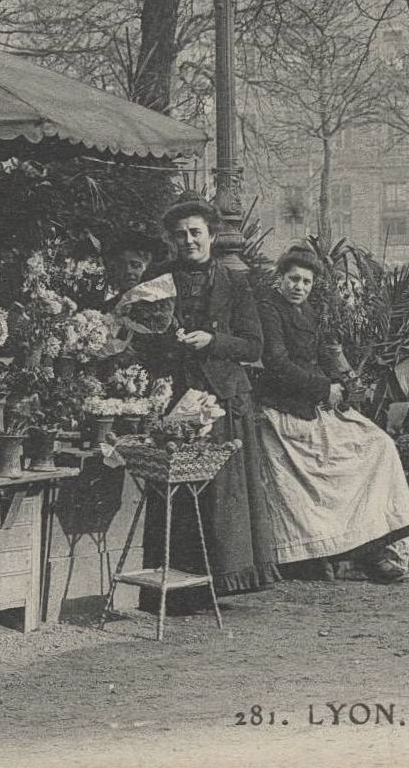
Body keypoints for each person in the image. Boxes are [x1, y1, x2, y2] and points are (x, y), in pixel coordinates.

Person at [134, 200, 281, 599]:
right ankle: (179, 588)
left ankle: (224, 581)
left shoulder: (234, 283)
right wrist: (168, 340)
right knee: (177, 493)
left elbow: (254, 346)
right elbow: (140, 337)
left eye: (195, 232)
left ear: (212, 236)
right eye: (180, 234)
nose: (189, 240)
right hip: (175, 395)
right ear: (171, 239)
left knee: (221, 494)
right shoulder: (156, 279)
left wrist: (213, 341)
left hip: (222, 398)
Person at [253, 245, 409, 584]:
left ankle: (371, 548)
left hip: (314, 405)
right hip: (283, 409)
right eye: (293, 279)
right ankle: (316, 555)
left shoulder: (310, 313)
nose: (299, 287)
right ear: (280, 279)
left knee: (378, 445)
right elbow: (277, 363)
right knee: (322, 477)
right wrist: (323, 388)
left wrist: (348, 382)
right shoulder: (269, 310)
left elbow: (326, 353)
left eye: (306, 282)